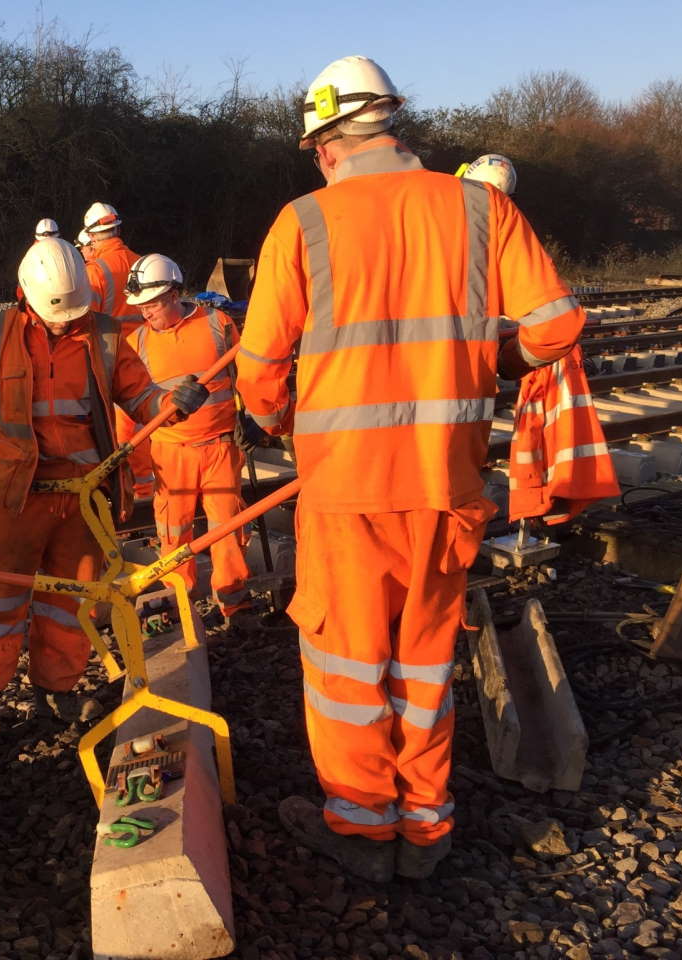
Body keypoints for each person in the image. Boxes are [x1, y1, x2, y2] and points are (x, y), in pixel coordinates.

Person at [236, 55, 586, 882]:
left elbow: (256, 372)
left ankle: (363, 832)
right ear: (392, 125)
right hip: (447, 487)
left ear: (326, 143)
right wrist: (498, 360)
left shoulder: (304, 223)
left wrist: (287, 424)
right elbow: (560, 327)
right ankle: (426, 831)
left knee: (348, 665)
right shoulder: (480, 208)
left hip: (346, 493)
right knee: (425, 662)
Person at [0, 238, 209, 765]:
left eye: (71, 314)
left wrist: (172, 403)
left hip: (84, 496)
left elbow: (141, 396)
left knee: (73, 604)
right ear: (25, 297)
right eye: (55, 316)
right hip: (17, 496)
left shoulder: (103, 335)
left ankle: (55, 691)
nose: (63, 324)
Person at [124, 253, 265, 629]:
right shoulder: (136, 343)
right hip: (170, 453)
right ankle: (176, 604)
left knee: (228, 527)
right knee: (173, 533)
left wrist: (253, 417)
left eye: (151, 304)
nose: (145, 313)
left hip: (220, 445)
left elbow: (248, 372)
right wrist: (132, 467)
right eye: (140, 307)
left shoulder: (217, 324)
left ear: (173, 294)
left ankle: (235, 602)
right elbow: (130, 413)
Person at [80, 202, 153, 497]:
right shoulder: (141, 262)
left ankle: (132, 493)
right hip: (147, 351)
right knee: (147, 422)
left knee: (120, 432)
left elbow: (84, 322)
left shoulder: (95, 271)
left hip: (112, 358)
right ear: (117, 229)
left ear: (93, 236)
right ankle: (148, 487)